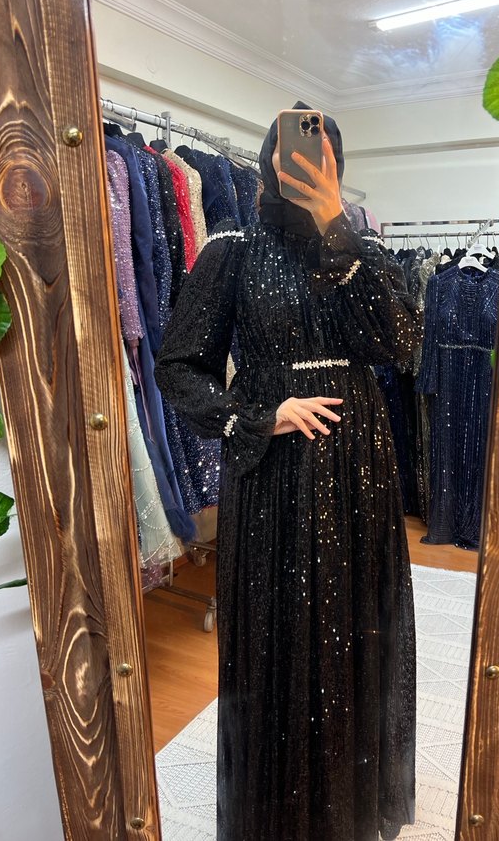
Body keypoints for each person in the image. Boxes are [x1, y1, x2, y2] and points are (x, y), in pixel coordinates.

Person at [154, 102, 422, 841]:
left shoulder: (361, 249)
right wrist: (255, 417)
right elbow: (179, 366)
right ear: (270, 156)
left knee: (356, 626)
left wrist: (336, 222)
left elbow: (399, 343)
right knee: (280, 632)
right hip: (274, 471)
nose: (305, 161)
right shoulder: (232, 249)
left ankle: (349, 807)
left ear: (337, 164)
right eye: (294, 149)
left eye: (322, 153)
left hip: (360, 465)